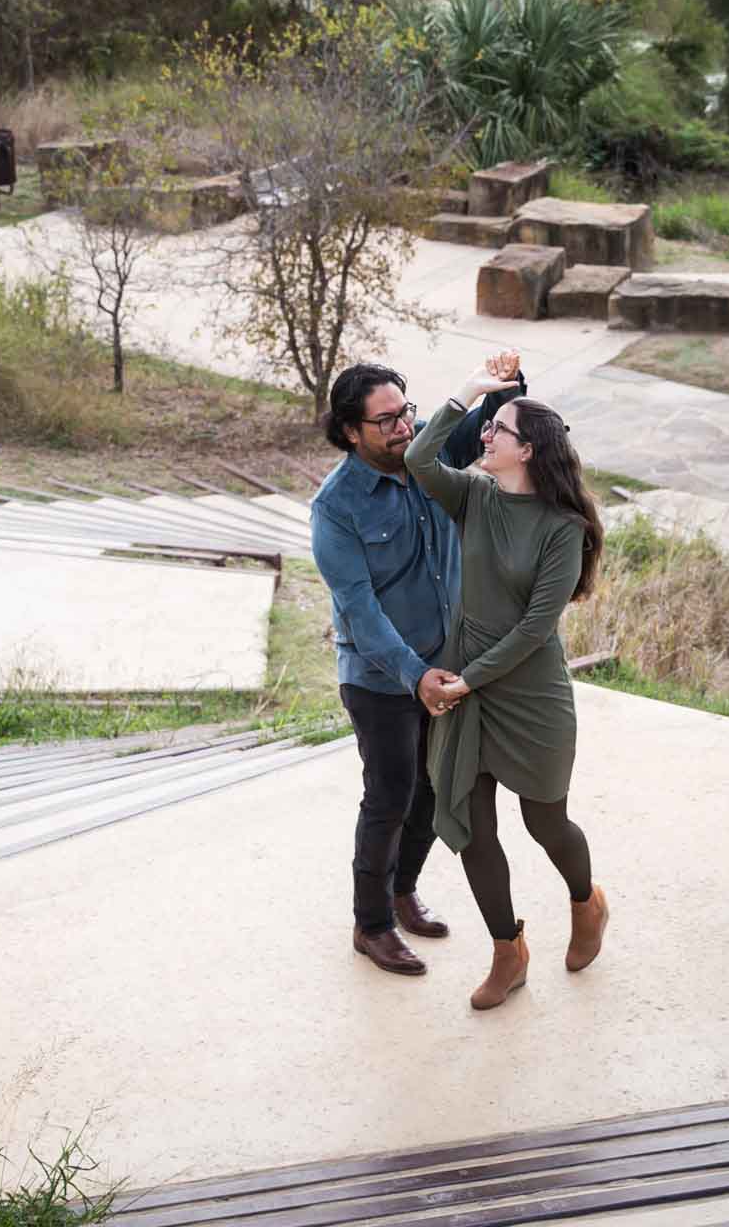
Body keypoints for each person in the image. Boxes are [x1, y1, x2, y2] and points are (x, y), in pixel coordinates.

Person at [311, 353, 526, 978]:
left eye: (405, 411)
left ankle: (403, 890)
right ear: (351, 430)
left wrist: (506, 379)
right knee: (390, 795)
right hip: (380, 678)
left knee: (437, 791)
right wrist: (414, 676)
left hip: (450, 665)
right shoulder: (336, 508)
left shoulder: (429, 450)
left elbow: (495, 423)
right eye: (385, 421)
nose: (404, 427)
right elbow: (357, 611)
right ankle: (371, 924)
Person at [404, 365, 608, 1011]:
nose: (484, 435)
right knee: (471, 824)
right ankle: (507, 950)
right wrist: (469, 389)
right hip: (470, 686)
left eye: (498, 429)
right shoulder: (472, 496)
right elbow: (417, 454)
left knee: (544, 819)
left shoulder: (562, 528)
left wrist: (466, 680)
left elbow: (531, 631)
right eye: (486, 426)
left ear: (528, 451)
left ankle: (586, 901)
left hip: (527, 691)